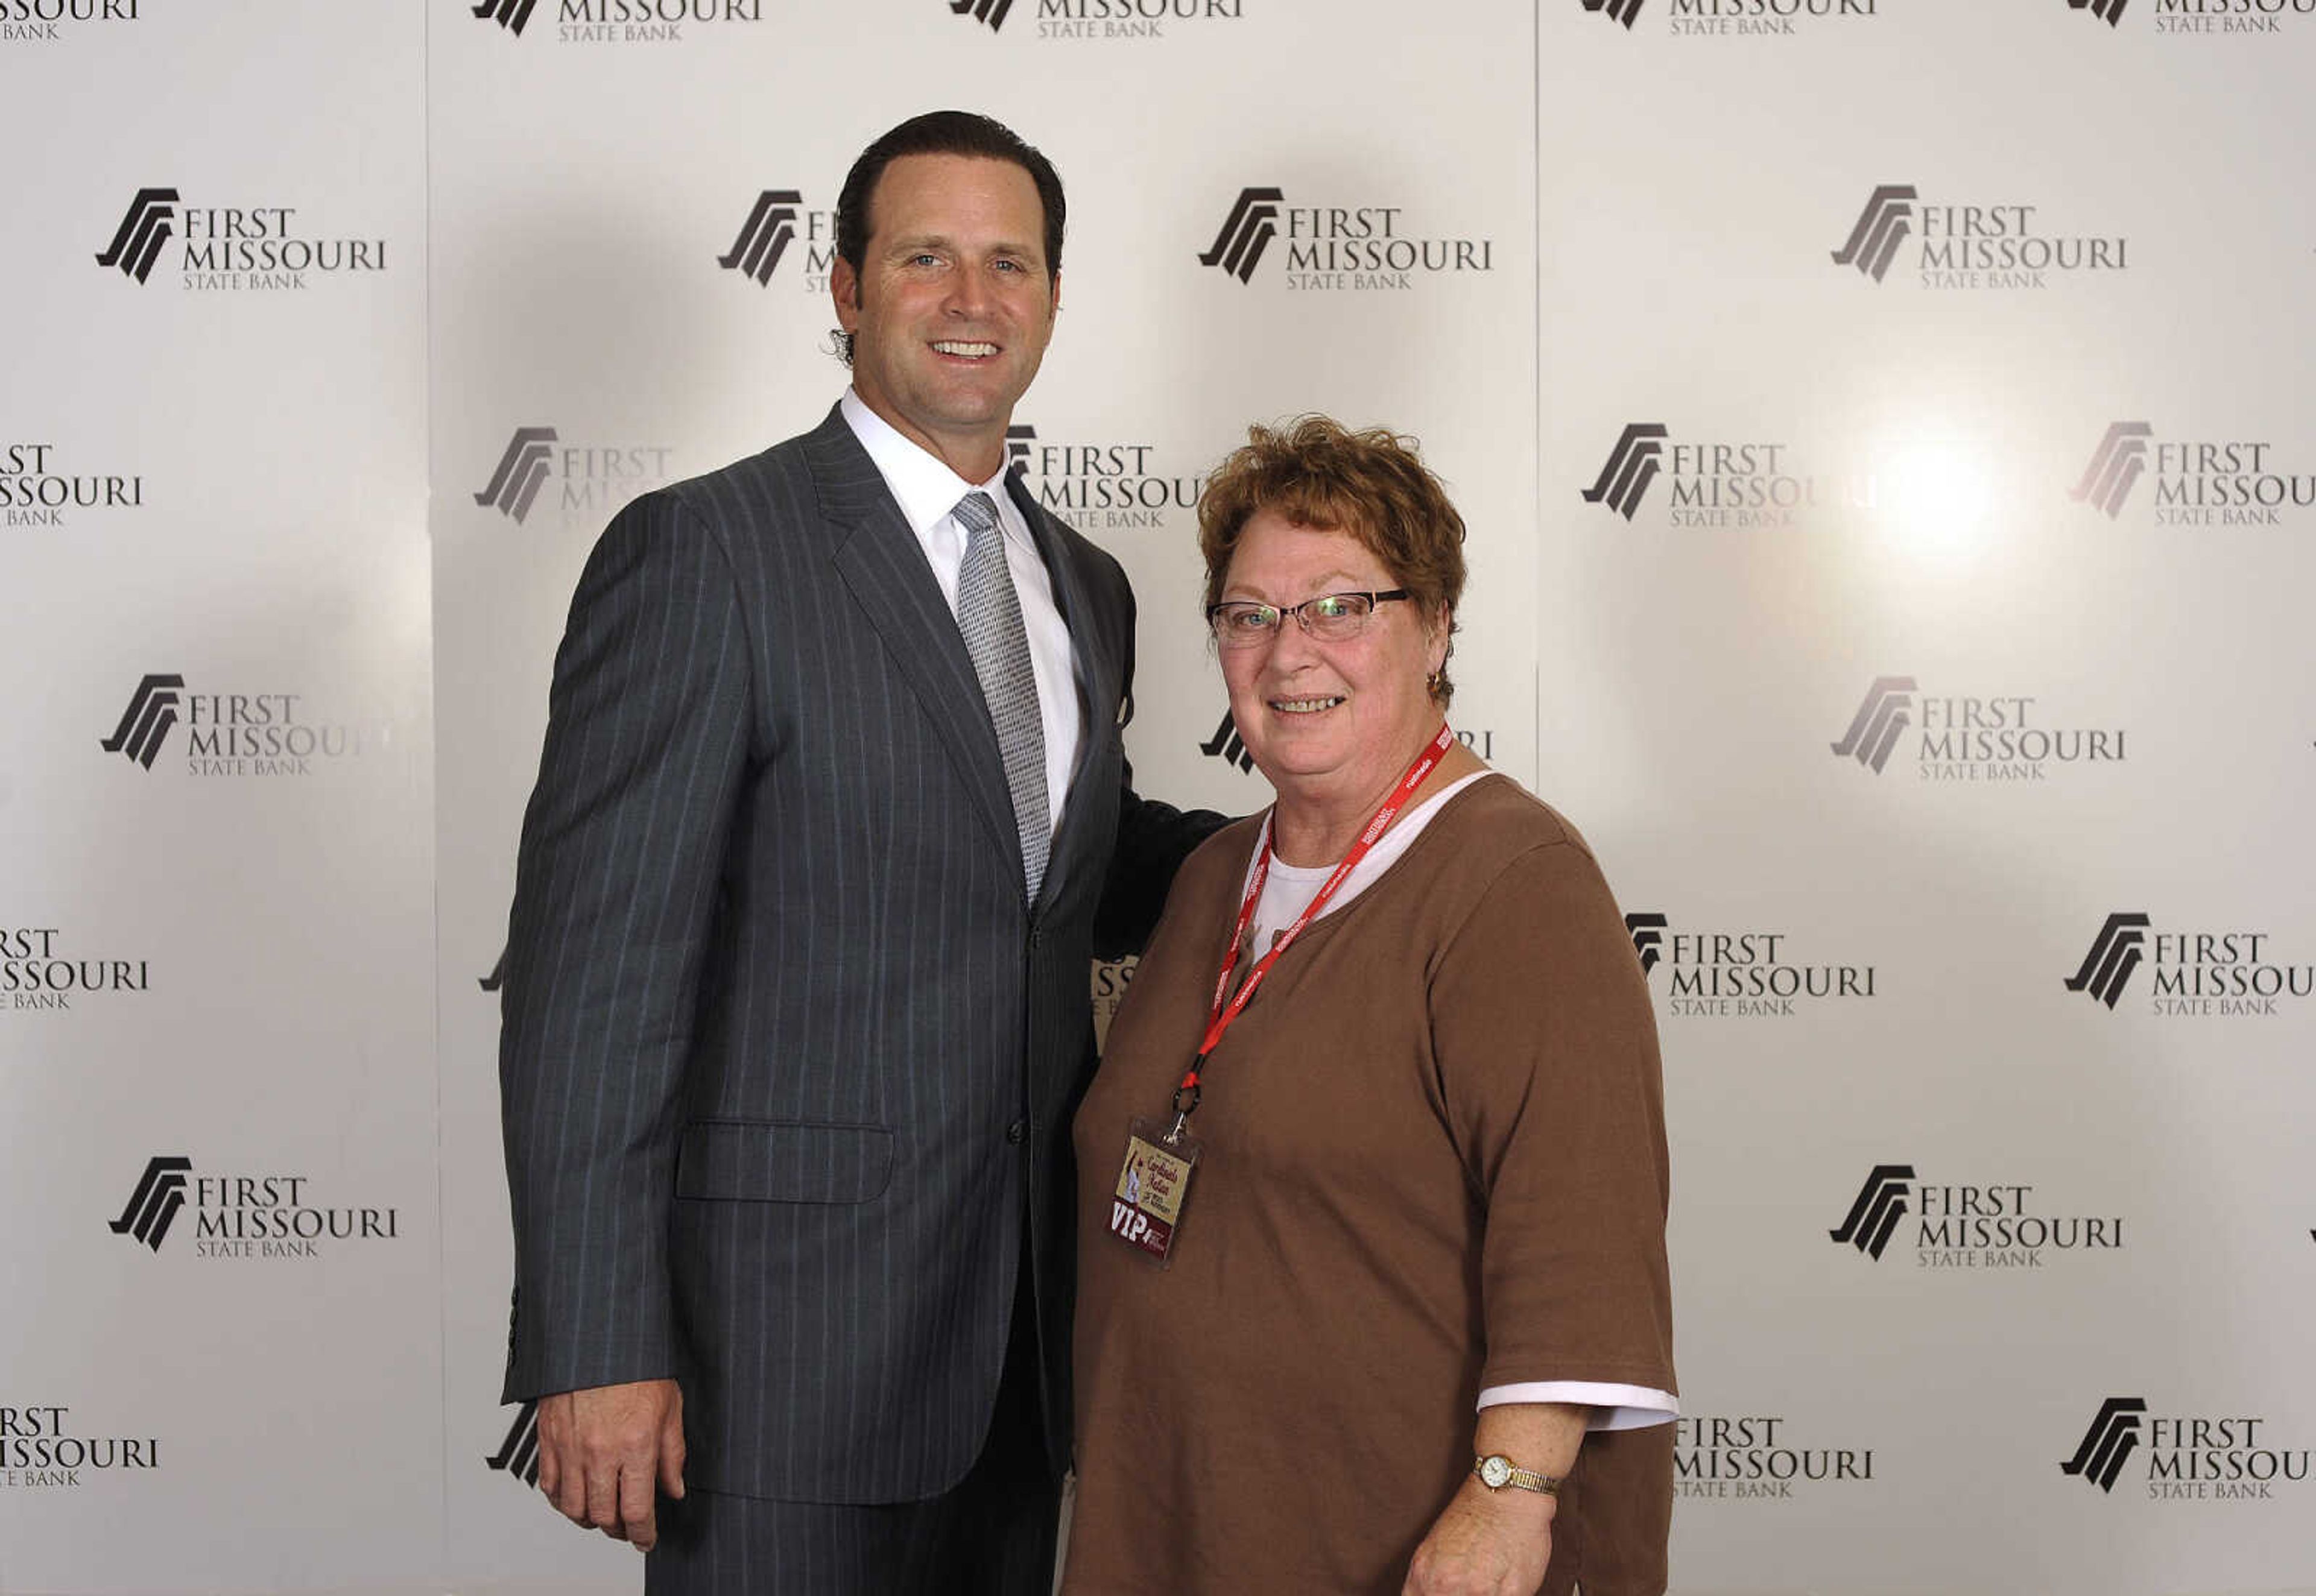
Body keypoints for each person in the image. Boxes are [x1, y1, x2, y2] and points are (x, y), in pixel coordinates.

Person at [496, 110, 1220, 1596]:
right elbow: (592, 982)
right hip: (774, 1371)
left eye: (1010, 262)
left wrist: (1348, 837)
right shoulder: (706, 552)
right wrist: (597, 1342)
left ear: (1055, 301)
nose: (973, 300)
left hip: (1023, 1360)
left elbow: (1065, 866)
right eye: (926, 258)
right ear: (843, 287)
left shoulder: (1083, 583)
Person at [1063, 417, 1678, 1596]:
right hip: (1177, 1521)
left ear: (1437, 625)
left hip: (1394, 1544)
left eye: (1343, 604)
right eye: (1251, 614)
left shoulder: (1513, 881)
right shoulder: (1207, 880)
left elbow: (1582, 1238)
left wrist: (1510, 1501)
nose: (1292, 651)